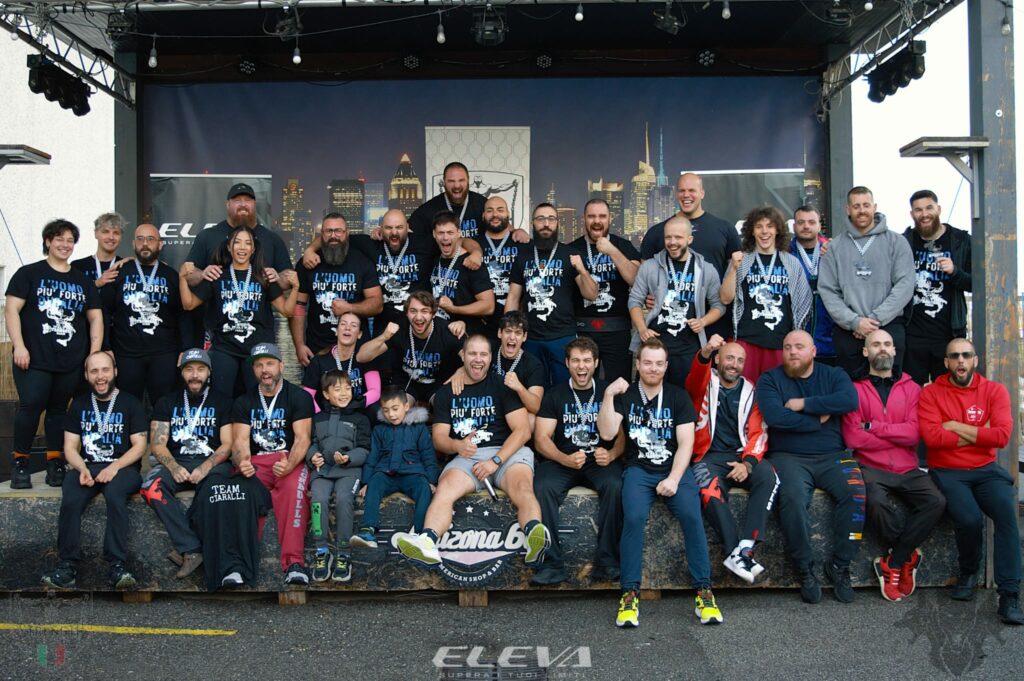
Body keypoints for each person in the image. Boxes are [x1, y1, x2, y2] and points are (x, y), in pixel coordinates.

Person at [391, 335, 552, 569]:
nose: (478, 359)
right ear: (463, 356)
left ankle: (535, 536)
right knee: (445, 488)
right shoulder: (446, 393)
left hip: (507, 452)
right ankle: (427, 541)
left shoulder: (501, 385)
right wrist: (457, 446)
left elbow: (523, 431)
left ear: (490, 358)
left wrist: (495, 461)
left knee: (522, 487)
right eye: (473, 354)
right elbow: (439, 438)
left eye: (483, 354)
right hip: (467, 455)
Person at [597, 338, 722, 627]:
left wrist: (674, 479)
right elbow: (607, 433)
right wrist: (608, 395)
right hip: (639, 470)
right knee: (634, 518)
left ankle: (704, 592)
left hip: (674, 469)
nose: (653, 368)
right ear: (638, 364)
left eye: (658, 363)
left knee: (692, 517)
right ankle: (629, 594)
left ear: (666, 366)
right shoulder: (627, 395)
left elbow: (686, 444)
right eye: (647, 363)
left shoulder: (678, 397)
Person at [919, 338, 1023, 625]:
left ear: (975, 360)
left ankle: (1010, 595)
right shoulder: (931, 393)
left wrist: (954, 426)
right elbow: (933, 439)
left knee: (1007, 512)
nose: (960, 361)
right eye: (954, 356)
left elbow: (1001, 436)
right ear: (946, 362)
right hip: (947, 471)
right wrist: (979, 432)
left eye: (966, 355)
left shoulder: (994, 391)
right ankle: (968, 572)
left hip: (986, 470)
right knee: (969, 518)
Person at [756, 330, 862, 604]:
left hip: (833, 455)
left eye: (799, 346)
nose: (793, 351)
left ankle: (840, 566)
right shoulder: (770, 379)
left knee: (856, 493)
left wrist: (803, 404)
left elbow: (849, 401)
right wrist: (817, 419)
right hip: (787, 456)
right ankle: (804, 568)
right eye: (787, 347)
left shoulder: (834, 375)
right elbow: (776, 417)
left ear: (813, 351)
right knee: (791, 499)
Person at [841, 330, 945, 602]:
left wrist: (874, 427)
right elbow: (853, 438)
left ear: (895, 351)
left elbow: (914, 434)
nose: (883, 348)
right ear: (866, 352)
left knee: (935, 501)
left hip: (907, 467)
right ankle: (906, 556)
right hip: (871, 466)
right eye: (876, 344)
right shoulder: (854, 389)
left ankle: (894, 561)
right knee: (874, 501)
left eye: (887, 344)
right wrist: (893, 434)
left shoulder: (912, 388)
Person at [5, 219, 103, 489]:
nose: (65, 245)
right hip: (33, 358)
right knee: (31, 406)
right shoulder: (28, 273)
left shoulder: (82, 280)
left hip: (70, 360)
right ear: (48, 241)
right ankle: (20, 462)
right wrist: (19, 345)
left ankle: (55, 462)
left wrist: (94, 354)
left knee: (59, 411)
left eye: (70, 240)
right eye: (59, 239)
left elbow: (95, 317)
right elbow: (11, 309)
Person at [40, 351, 147, 590]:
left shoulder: (131, 403)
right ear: (87, 375)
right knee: (71, 498)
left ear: (115, 372)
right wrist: (81, 468)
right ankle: (67, 566)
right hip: (86, 466)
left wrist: (115, 467)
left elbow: (140, 445)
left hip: (123, 467)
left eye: (105, 370)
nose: (100, 376)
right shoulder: (78, 405)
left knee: (115, 495)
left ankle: (117, 565)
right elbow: (69, 447)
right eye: (94, 371)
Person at [685, 335, 777, 584]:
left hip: (740, 455)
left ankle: (746, 548)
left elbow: (758, 433)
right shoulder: (705, 383)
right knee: (707, 488)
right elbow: (695, 375)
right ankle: (733, 550)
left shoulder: (751, 391)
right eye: (729, 358)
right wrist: (705, 352)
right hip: (708, 456)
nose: (734, 365)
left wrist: (748, 464)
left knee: (769, 476)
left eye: (739, 360)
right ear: (717, 360)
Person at [532, 336, 624, 586]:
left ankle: (607, 562)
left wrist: (612, 454)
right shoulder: (555, 394)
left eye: (586, 360)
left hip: (599, 460)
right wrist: (564, 458)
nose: (581, 366)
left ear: (596, 362)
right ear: (567, 363)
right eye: (575, 361)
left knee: (616, 485)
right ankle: (551, 564)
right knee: (542, 486)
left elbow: (622, 436)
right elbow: (541, 438)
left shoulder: (607, 392)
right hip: (564, 458)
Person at [141, 348, 233, 580]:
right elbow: (157, 445)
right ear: (181, 373)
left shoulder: (223, 401)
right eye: (189, 369)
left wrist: (205, 467)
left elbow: (227, 445)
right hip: (178, 461)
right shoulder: (166, 402)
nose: (195, 375)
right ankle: (192, 548)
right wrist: (173, 467)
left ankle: (196, 548)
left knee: (216, 491)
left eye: (200, 369)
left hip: (211, 463)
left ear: (209, 372)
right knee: (150, 487)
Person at [230, 343, 315, 586]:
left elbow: (303, 439)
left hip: (289, 459)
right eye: (259, 365)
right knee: (239, 491)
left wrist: (289, 465)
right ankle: (237, 566)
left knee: (294, 491)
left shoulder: (298, 396)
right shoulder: (244, 401)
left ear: (281, 366)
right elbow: (239, 442)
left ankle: (294, 563)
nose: (264, 370)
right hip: (256, 461)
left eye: (269, 364)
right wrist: (242, 462)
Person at [180, 226, 300, 397]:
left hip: (257, 349)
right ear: (229, 247)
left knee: (256, 399)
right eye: (237, 242)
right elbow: (189, 304)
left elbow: (287, 311)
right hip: (224, 348)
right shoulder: (217, 275)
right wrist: (182, 278)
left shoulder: (263, 276)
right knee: (221, 398)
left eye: (247, 243)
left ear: (253, 249)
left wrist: (295, 287)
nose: (242, 247)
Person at [818, 186, 915, 379]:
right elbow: (828, 290)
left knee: (890, 387)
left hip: (889, 327)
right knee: (851, 389)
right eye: (856, 206)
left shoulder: (897, 242)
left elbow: (905, 285)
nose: (861, 210)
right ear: (848, 209)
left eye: (866, 205)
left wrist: (875, 320)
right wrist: (855, 322)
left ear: (874, 207)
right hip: (848, 331)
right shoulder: (834, 247)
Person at [505, 203, 598, 386]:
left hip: (563, 336)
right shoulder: (523, 256)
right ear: (533, 223)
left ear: (557, 223)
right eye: (540, 219)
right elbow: (513, 297)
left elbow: (591, 295)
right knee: (532, 387)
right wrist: (508, 331)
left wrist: (582, 270)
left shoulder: (571, 254)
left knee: (563, 388)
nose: (546, 223)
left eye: (551, 219)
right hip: (531, 336)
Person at [628, 216, 724, 387]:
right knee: (648, 396)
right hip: (655, 348)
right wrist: (642, 329)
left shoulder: (706, 269)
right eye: (668, 237)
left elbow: (719, 305)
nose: (672, 242)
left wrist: (703, 321)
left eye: (678, 237)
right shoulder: (650, 266)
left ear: (689, 239)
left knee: (685, 397)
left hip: (689, 350)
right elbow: (634, 300)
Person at [720, 206, 812, 382]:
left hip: (780, 343)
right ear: (751, 231)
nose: (764, 231)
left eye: (770, 226)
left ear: (777, 230)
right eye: (759, 226)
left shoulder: (791, 263)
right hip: (746, 341)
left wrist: (795, 340)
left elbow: (803, 303)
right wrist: (733, 269)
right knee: (745, 394)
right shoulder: (742, 260)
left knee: (776, 394)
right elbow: (725, 298)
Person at [290, 213, 383, 366]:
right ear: (322, 234)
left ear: (347, 233)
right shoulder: (308, 262)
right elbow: (298, 306)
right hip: (316, 349)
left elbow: (377, 304)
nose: (333, 236)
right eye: (329, 231)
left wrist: (349, 308)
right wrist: (299, 345)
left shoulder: (362, 261)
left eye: (338, 231)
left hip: (357, 349)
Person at [108, 223, 186, 406]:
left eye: (150, 239)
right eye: (140, 239)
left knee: (164, 404)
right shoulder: (119, 272)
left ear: (160, 244)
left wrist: (185, 348)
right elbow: (104, 311)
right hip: (126, 353)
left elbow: (183, 315)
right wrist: (105, 346)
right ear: (133, 243)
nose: (145, 244)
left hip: (164, 353)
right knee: (127, 403)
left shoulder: (171, 275)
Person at [352, 385, 439, 548]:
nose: (391, 414)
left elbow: (428, 455)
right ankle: (368, 530)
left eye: (395, 409)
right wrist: (366, 482)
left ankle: (419, 534)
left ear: (406, 406)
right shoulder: (379, 430)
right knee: (375, 483)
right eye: (386, 410)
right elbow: (373, 457)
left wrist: (432, 480)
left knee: (423, 488)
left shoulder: (418, 428)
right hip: (386, 473)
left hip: (412, 473)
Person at [306, 371, 372, 583]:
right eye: (337, 389)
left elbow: (365, 449)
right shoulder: (317, 418)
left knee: (344, 499)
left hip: (349, 471)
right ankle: (322, 551)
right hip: (323, 471)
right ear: (326, 394)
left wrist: (348, 458)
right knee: (318, 501)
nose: (344, 393)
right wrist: (312, 456)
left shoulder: (360, 418)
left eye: (348, 388)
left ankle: (344, 553)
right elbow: (311, 442)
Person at [902, 190, 973, 385]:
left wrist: (955, 271)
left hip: (948, 333)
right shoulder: (904, 241)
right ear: (912, 214)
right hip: (912, 334)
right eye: (918, 210)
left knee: (949, 391)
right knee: (911, 391)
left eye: (929, 208)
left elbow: (977, 284)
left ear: (938, 209)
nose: (924, 214)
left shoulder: (961, 241)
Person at [572, 198, 641, 383]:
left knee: (619, 385)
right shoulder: (572, 249)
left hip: (618, 330)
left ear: (610, 218)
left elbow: (636, 280)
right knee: (584, 385)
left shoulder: (623, 246)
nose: (597, 221)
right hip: (583, 329)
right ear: (584, 219)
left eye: (602, 216)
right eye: (591, 216)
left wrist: (613, 251)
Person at [180, 183, 293, 292]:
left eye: (248, 200)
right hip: (215, 305)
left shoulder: (272, 239)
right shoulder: (207, 236)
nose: (243, 204)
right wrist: (202, 274)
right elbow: (187, 273)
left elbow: (290, 277)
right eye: (237, 200)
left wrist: (278, 278)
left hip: (261, 305)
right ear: (227, 204)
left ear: (254, 204)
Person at [356, 292, 464, 405]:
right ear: (407, 313)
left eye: (424, 311)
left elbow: (471, 357)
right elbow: (361, 357)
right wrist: (384, 336)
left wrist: (462, 370)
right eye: (413, 311)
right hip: (406, 383)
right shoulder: (399, 328)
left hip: (438, 384)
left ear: (433, 314)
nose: (418, 317)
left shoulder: (446, 330)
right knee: (396, 409)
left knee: (443, 406)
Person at [445, 311, 546, 423]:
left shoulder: (533, 364)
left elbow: (536, 407)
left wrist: (519, 388)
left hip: (512, 410)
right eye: (508, 331)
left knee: (531, 419)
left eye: (518, 333)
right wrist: (461, 370)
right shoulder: (489, 348)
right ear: (499, 333)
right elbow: (470, 351)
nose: (512, 337)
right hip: (483, 404)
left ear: (524, 337)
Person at [353, 208, 437, 334]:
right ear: (380, 229)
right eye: (388, 228)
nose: (394, 232)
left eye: (399, 227)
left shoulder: (424, 243)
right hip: (384, 329)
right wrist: (313, 252)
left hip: (418, 324)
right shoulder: (372, 245)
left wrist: (471, 254)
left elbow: (457, 241)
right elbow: (338, 238)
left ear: (407, 227)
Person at [640, 173, 741, 277]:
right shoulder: (656, 232)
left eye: (692, 190)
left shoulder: (725, 229)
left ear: (702, 193)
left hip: (714, 288)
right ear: (676, 194)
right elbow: (645, 275)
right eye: (682, 191)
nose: (686, 195)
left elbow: (737, 272)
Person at [430, 211, 495, 335]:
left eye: (450, 232)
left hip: (467, 334)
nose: (445, 237)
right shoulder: (435, 259)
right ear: (434, 234)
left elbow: (488, 306)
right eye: (441, 233)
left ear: (458, 233)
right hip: (441, 332)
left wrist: (454, 309)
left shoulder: (471, 263)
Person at [71, 212, 129, 349]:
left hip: (118, 338)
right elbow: (70, 298)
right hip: (83, 334)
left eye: (116, 233)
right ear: (96, 233)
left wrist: (133, 260)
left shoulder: (126, 267)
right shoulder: (77, 266)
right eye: (105, 231)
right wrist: (96, 283)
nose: (111, 237)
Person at [302, 313, 381, 412]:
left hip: (358, 413)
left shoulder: (365, 357)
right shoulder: (319, 361)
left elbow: (375, 391)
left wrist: (355, 405)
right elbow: (308, 395)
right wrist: (320, 416)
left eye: (353, 325)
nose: (347, 328)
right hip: (327, 414)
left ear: (359, 334)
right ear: (336, 331)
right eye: (343, 324)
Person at [789, 205, 836, 364]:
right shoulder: (784, 254)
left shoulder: (832, 250)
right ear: (794, 226)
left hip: (829, 340)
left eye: (811, 222)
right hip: (795, 342)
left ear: (819, 226)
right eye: (801, 222)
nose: (806, 226)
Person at [474, 196, 528, 334]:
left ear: (508, 214)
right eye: (490, 210)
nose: (495, 214)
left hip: (515, 323)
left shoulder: (522, 243)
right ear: (483, 215)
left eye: (500, 210)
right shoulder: (473, 245)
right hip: (481, 322)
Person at [409, 161, 487, 238]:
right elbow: (409, 234)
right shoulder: (427, 210)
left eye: (461, 180)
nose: (457, 186)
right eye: (451, 181)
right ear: (444, 182)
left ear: (468, 180)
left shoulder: (483, 205)